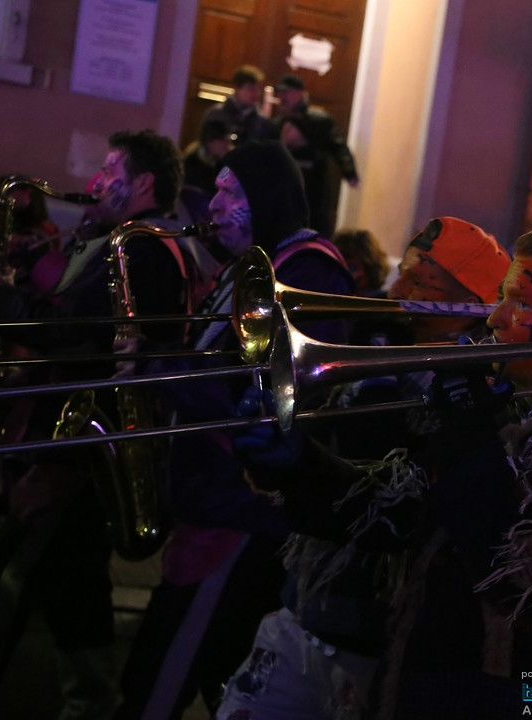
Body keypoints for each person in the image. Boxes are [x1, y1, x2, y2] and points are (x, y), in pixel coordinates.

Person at [216, 226, 532, 718]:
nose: (495, 316)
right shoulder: (507, 409)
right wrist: (299, 465)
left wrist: (469, 431)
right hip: (424, 682)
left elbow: (529, 575)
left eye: (521, 302)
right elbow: (399, 511)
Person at [0, 129, 195, 720]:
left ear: (143, 183)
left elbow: (82, 343)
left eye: (112, 169)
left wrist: (3, 302)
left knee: (19, 574)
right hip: (84, 446)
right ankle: (88, 700)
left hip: (83, 446)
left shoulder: (141, 247)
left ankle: (50, 701)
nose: (98, 180)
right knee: (71, 584)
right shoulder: (139, 242)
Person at [113, 139, 356, 720]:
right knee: (221, 675)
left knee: (164, 675)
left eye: (229, 191)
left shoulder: (307, 270)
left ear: (265, 199)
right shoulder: (249, 267)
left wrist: (154, 366)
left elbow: (262, 393)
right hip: (214, 500)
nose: (215, 205)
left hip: (242, 510)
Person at [270, 73, 359, 237]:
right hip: (284, 192)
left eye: (286, 92)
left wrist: (349, 171)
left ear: (299, 94)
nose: (281, 96)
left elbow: (337, 146)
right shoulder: (276, 124)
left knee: (312, 231)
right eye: (280, 92)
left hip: (313, 190)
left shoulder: (319, 120)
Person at [201, 64, 274, 146]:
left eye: (258, 89)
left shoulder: (262, 122)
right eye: (250, 89)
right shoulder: (216, 115)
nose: (256, 93)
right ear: (237, 88)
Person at [182, 119, 234, 200]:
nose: (227, 144)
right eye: (222, 140)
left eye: (228, 139)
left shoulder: (230, 163)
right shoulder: (192, 162)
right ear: (210, 142)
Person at [331, 228, 389, 298]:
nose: (344, 274)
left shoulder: (383, 302)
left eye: (352, 267)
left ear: (370, 268)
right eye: (339, 267)